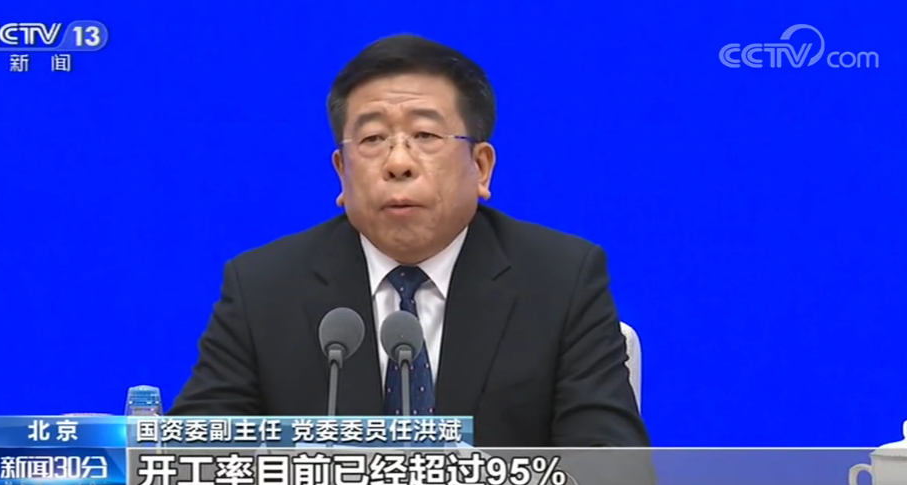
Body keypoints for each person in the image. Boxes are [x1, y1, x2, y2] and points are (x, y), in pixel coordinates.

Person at [169, 34, 649, 448]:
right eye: (373, 139)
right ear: (341, 172)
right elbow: (193, 457)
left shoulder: (560, 280)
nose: (398, 162)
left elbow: (610, 464)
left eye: (425, 135)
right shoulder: (263, 288)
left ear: (481, 168)